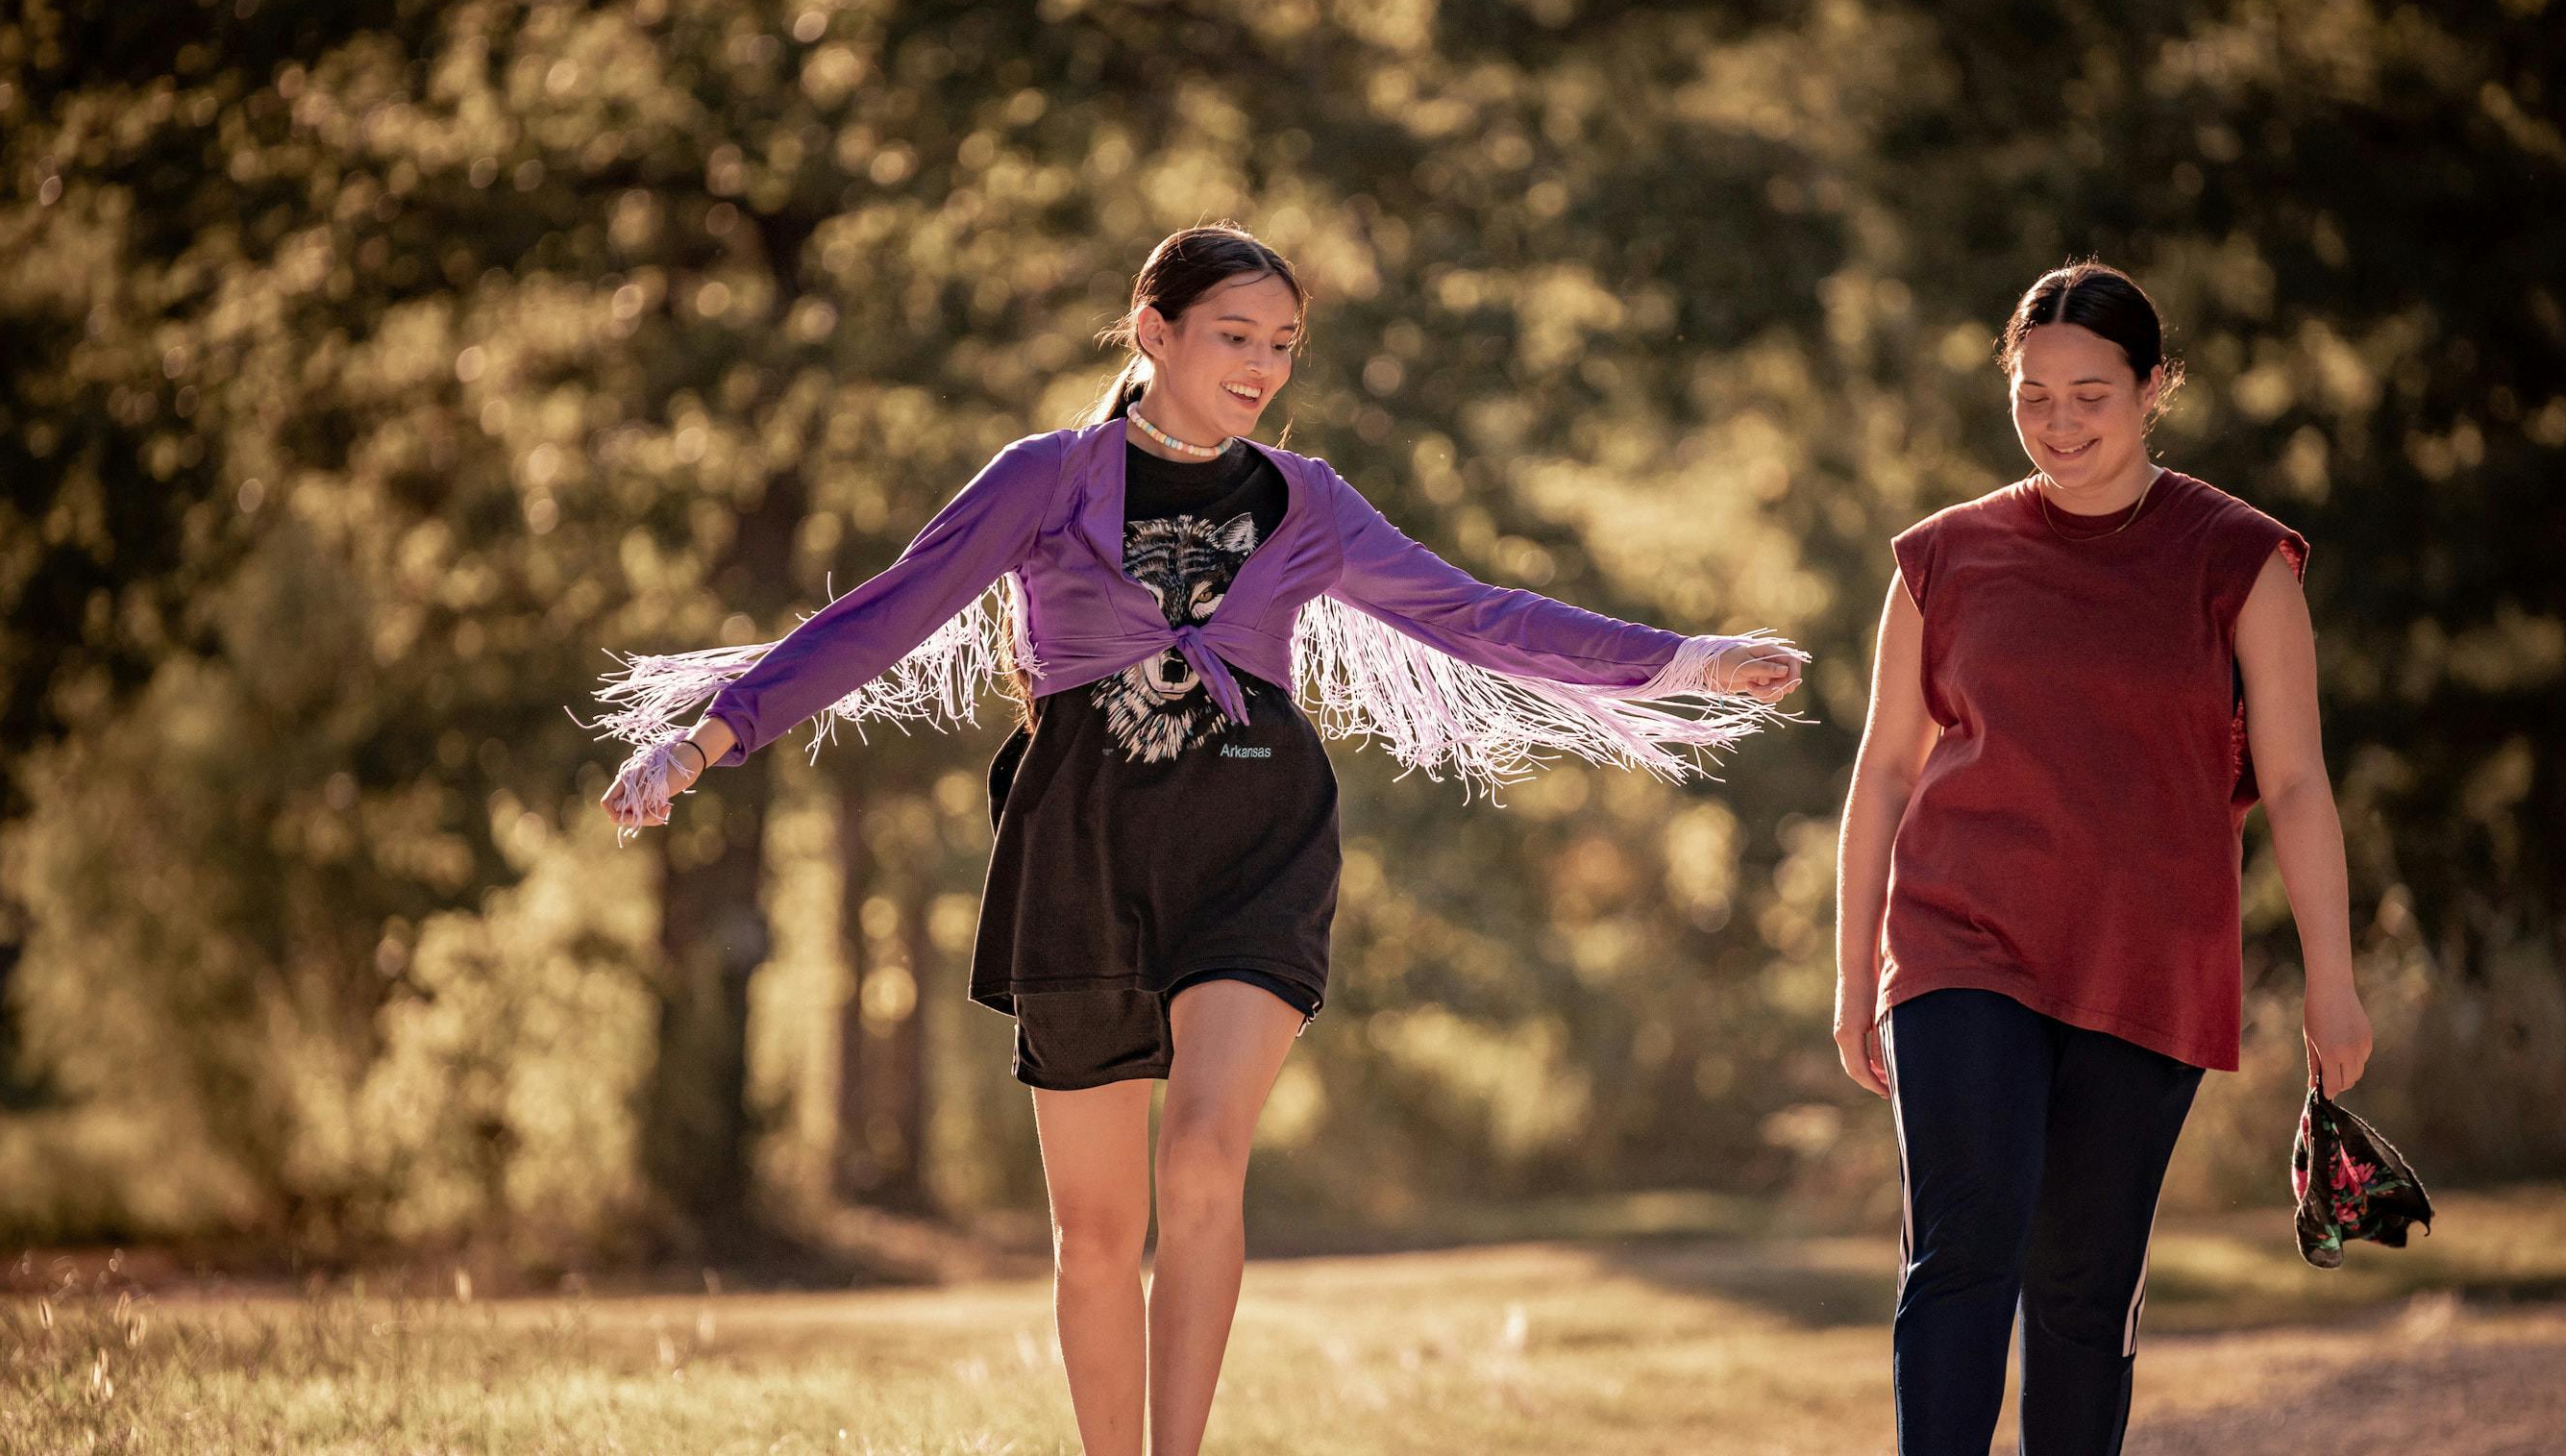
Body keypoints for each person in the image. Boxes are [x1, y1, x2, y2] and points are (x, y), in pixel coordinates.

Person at [595, 222, 1809, 1456]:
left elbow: (1475, 612)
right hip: (1078, 855)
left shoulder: (1307, 500)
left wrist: (1681, 659)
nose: (1264, 367)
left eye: (1283, 344)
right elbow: (885, 612)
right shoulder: (1047, 478)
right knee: (1095, 1233)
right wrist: (705, 739)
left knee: (1203, 1160)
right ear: (1154, 330)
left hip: (1255, 846)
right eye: (1237, 336)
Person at [1831, 261, 2373, 1454]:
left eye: (2091, 395)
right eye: (2033, 396)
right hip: (1961, 941)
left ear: (2154, 387)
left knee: (2084, 1284)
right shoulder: (1942, 559)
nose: (2059, 423)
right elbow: (1885, 773)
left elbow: (2295, 782)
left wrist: (2331, 979)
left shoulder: (2239, 558)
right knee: (1964, 1247)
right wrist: (1853, 973)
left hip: (2148, 959)